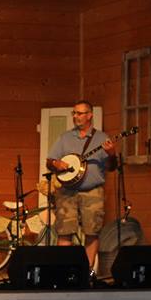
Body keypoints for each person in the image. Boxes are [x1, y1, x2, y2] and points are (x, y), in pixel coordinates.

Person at [45, 100, 116, 268]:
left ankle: (87, 272)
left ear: (90, 115)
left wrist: (112, 154)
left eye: (79, 113)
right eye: (74, 113)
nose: (76, 116)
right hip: (67, 191)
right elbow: (49, 162)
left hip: (92, 192)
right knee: (64, 232)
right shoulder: (65, 138)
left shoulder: (101, 138)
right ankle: (65, 270)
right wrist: (57, 164)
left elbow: (112, 167)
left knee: (92, 232)